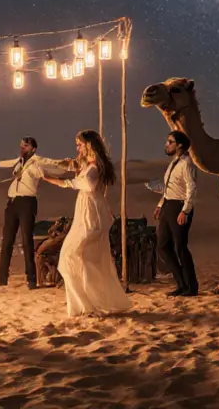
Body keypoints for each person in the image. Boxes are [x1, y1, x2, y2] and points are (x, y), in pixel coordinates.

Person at [41, 130, 131, 318]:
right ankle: (85, 303)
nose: (77, 148)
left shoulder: (95, 167)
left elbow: (86, 185)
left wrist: (58, 181)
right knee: (74, 256)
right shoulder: (87, 165)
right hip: (84, 212)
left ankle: (92, 302)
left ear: (89, 145)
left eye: (80, 144)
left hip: (92, 214)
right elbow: (75, 170)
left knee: (79, 255)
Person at [0, 136, 61, 290]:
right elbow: (4, 163)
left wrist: (66, 165)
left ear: (33, 148)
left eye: (25, 145)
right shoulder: (19, 161)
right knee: (7, 240)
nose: (22, 147)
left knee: (27, 240)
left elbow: (51, 165)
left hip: (27, 202)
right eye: (21, 145)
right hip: (12, 202)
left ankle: (31, 278)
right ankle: (2, 276)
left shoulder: (37, 162)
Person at [155, 130, 199, 297]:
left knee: (180, 247)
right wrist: (160, 205)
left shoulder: (187, 163)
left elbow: (191, 187)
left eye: (170, 142)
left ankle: (191, 287)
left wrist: (185, 210)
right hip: (168, 205)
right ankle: (181, 283)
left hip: (179, 207)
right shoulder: (174, 162)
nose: (167, 145)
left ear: (180, 145)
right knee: (163, 246)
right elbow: (168, 188)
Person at [34, 216, 72, 288]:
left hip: (55, 255)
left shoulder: (55, 239)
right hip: (52, 255)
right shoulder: (56, 238)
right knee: (39, 257)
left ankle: (42, 280)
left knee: (39, 256)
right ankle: (42, 280)